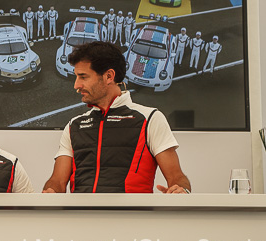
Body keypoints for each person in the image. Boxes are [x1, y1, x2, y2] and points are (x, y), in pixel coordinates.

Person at [43, 42, 190, 194]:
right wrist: (51, 191)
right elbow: (58, 181)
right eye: (76, 77)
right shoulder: (74, 125)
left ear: (109, 76)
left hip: (131, 217)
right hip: (80, 217)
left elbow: (176, 177)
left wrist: (181, 190)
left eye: (83, 77)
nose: (76, 85)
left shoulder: (150, 119)